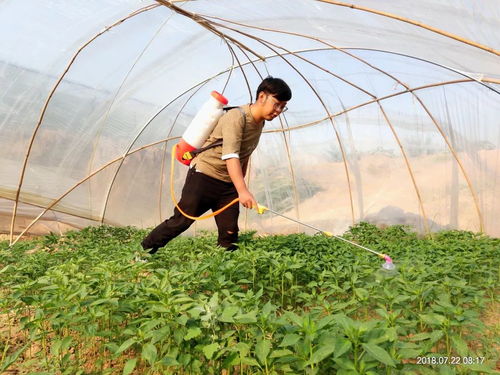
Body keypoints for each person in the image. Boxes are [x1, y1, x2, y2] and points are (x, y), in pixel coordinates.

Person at [141, 76, 292, 254]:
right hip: (204, 176)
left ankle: (225, 274)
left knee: (230, 233)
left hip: (228, 184)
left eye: (283, 107)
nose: (278, 110)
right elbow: (231, 156)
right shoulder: (237, 117)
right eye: (276, 104)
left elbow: (245, 154)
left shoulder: (260, 124)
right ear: (261, 97)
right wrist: (242, 190)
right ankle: (142, 252)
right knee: (181, 221)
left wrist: (238, 186)